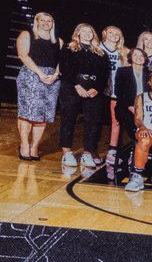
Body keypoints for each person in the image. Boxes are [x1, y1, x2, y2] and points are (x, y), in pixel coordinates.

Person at [57, 22, 111, 170]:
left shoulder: (100, 52)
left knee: (93, 121)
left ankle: (87, 152)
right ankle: (67, 153)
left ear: (93, 34)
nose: (87, 33)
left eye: (90, 31)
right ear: (78, 33)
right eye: (84, 31)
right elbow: (64, 68)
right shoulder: (69, 48)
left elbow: (104, 74)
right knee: (68, 119)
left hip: (93, 89)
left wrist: (97, 88)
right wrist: (77, 85)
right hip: (72, 86)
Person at [15, 12, 62, 162]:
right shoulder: (27, 34)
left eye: (49, 21)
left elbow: (62, 61)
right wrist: (40, 73)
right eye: (43, 20)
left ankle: (34, 146)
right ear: (37, 21)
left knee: (43, 116)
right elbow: (23, 55)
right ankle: (24, 145)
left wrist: (55, 75)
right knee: (27, 114)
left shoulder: (58, 41)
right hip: (31, 75)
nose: (46, 23)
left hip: (51, 79)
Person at [114, 46, 150, 170]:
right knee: (131, 123)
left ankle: (139, 152)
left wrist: (142, 108)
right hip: (126, 107)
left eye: (141, 56)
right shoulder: (122, 71)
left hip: (145, 108)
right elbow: (118, 92)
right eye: (136, 55)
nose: (139, 58)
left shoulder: (150, 73)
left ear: (145, 58)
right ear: (130, 58)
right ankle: (134, 152)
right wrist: (130, 106)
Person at [99, 25, 128, 164]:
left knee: (115, 120)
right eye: (111, 32)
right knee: (96, 120)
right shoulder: (97, 47)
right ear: (105, 33)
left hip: (115, 90)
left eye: (117, 33)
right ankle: (92, 150)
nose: (114, 35)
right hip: (99, 88)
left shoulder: (124, 51)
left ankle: (113, 148)